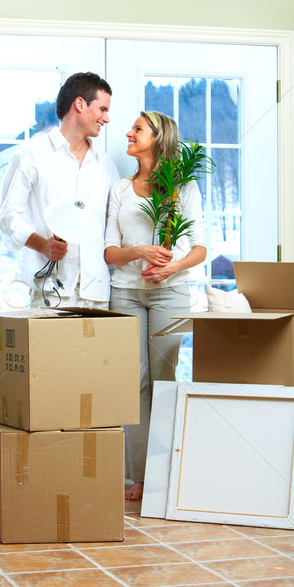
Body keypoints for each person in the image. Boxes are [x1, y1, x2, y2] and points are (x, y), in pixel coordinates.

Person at [105, 111, 207, 500]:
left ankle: (167, 473)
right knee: (135, 383)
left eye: (138, 129)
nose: (129, 133)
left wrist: (172, 267)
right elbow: (110, 252)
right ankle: (140, 477)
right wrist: (140, 251)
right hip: (126, 292)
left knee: (165, 381)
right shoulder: (120, 189)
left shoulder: (184, 187)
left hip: (171, 291)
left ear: (158, 138)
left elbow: (199, 248)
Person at [0, 72, 119, 309]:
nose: (106, 118)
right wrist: (43, 245)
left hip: (97, 294)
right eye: (102, 109)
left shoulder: (105, 164)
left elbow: (116, 222)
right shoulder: (31, 155)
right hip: (49, 292)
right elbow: (7, 216)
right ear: (80, 104)